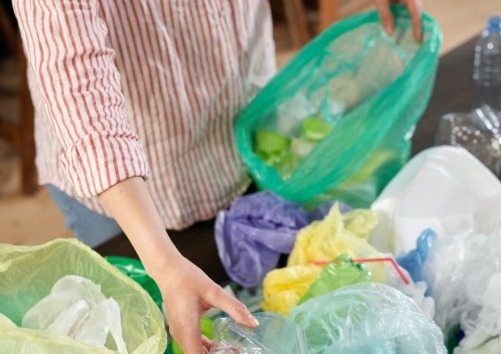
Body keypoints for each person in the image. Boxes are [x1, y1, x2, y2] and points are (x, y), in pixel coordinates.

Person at [12, 0, 423, 353]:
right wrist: (165, 265)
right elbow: (77, 78)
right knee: (142, 316)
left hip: (241, 117)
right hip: (131, 186)